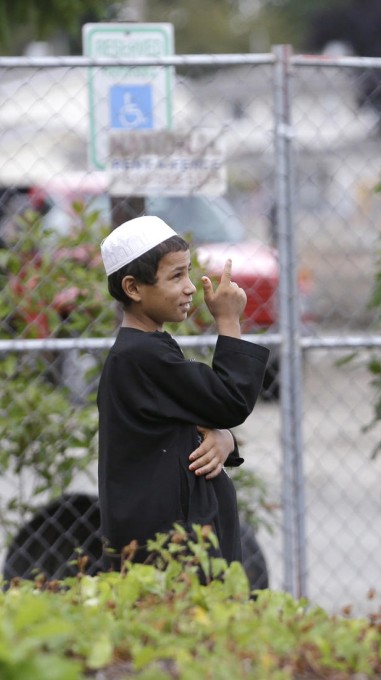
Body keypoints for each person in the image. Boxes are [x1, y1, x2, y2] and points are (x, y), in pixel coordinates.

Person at [97, 215, 269, 570]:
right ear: (133, 288)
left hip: (173, 545)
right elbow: (229, 401)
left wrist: (224, 439)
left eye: (188, 272)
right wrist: (229, 322)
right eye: (176, 276)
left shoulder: (147, 351)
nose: (190, 287)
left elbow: (192, 422)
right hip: (169, 553)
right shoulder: (143, 355)